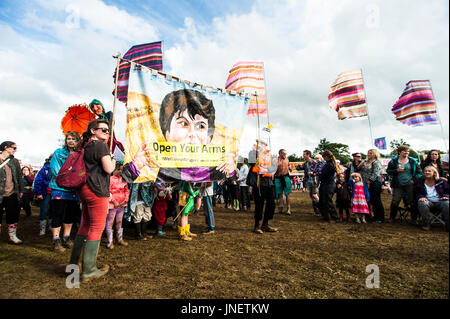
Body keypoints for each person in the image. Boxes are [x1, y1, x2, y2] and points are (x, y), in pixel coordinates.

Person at [68, 119, 115, 282]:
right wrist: (112, 161)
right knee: (97, 227)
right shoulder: (100, 146)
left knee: (85, 225)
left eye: (108, 130)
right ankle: (89, 270)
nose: (106, 133)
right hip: (96, 190)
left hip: (84, 189)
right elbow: (109, 169)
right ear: (93, 130)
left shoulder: (85, 146)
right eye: (103, 130)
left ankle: (74, 265)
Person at [156, 89, 235, 183]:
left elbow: (232, 183)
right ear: (167, 133)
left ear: (208, 137)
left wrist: (231, 171)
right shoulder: (155, 167)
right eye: (183, 123)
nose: (192, 133)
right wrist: (134, 168)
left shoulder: (215, 167)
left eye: (200, 126)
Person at [49, 131, 82, 252]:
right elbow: (55, 169)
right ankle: (56, 239)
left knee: (70, 214)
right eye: (69, 138)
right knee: (57, 213)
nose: (71, 141)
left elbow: (82, 171)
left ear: (78, 141)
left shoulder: (80, 154)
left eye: (74, 139)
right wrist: (69, 179)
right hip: (59, 188)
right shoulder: (59, 153)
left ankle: (66, 237)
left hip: (74, 190)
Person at [386, 145, 422, 223]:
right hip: (398, 184)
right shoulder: (393, 161)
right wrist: (396, 170)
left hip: (410, 184)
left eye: (408, 151)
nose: (406, 152)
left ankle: (414, 218)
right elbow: (388, 171)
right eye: (404, 151)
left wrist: (414, 180)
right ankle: (392, 217)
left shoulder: (413, 161)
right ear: (399, 152)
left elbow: (419, 173)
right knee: (395, 201)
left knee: (412, 201)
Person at [246, 150, 278, 234]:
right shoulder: (254, 152)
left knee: (271, 203)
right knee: (259, 204)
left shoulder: (268, 156)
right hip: (259, 184)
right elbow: (251, 162)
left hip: (269, 183)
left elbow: (273, 167)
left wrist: (267, 170)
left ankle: (265, 224)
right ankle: (256, 226)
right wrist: (256, 154)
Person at [0, 141, 24, 244]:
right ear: (6, 147)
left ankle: (12, 236)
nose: (15, 150)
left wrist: (21, 190)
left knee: (13, 215)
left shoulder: (14, 161)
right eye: (14, 148)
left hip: (12, 192)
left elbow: (19, 176)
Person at [415, 166, 449, 231]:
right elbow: (417, 192)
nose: (427, 172)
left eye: (429, 171)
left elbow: (448, 191)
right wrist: (420, 197)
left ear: (434, 173)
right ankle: (427, 224)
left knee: (447, 203)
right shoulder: (420, 182)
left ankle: (448, 225)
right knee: (422, 203)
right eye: (425, 171)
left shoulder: (441, 181)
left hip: (440, 201)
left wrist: (446, 196)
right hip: (428, 201)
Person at [106, 163, 129, 249]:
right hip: (112, 205)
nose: (121, 172)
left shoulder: (124, 180)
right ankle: (110, 241)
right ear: (114, 170)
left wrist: (125, 200)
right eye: (119, 170)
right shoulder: (110, 179)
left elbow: (126, 190)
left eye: (122, 170)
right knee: (110, 222)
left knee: (119, 222)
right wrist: (113, 201)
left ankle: (119, 239)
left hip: (121, 204)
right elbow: (107, 191)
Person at [359, 149, 386, 223]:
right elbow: (359, 168)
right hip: (367, 182)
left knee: (377, 200)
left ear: (375, 154)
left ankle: (380, 218)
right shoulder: (366, 161)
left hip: (375, 183)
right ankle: (375, 216)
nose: (368, 154)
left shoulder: (376, 162)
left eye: (370, 153)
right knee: (372, 201)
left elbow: (376, 173)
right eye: (368, 153)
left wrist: (369, 181)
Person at [318, 150, 341, 223]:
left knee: (328, 201)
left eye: (324, 157)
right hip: (326, 184)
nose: (323, 158)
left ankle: (335, 217)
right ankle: (326, 216)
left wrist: (319, 176)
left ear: (326, 157)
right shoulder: (328, 164)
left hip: (328, 184)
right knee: (323, 201)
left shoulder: (330, 165)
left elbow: (324, 175)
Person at [32, 155, 53, 236]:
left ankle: (51, 226)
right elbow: (38, 181)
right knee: (44, 210)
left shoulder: (59, 167)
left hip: (55, 193)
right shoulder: (44, 169)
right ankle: (42, 228)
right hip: (45, 193)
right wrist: (38, 193)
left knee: (53, 209)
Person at [274, 149, 292, 215]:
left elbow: (289, 165)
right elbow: (273, 169)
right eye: (284, 153)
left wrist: (290, 167)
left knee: (287, 194)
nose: (285, 155)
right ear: (280, 154)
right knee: (280, 194)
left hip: (286, 177)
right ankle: (280, 208)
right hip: (278, 178)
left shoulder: (287, 159)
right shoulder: (275, 160)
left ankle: (288, 209)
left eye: (285, 153)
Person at [302, 150, 319, 215]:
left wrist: (313, 173)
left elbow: (318, 171)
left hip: (314, 181)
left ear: (308, 155)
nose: (303, 155)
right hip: (309, 182)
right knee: (312, 196)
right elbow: (301, 168)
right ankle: (316, 211)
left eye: (304, 154)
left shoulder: (314, 162)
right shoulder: (305, 163)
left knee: (314, 195)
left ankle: (321, 208)